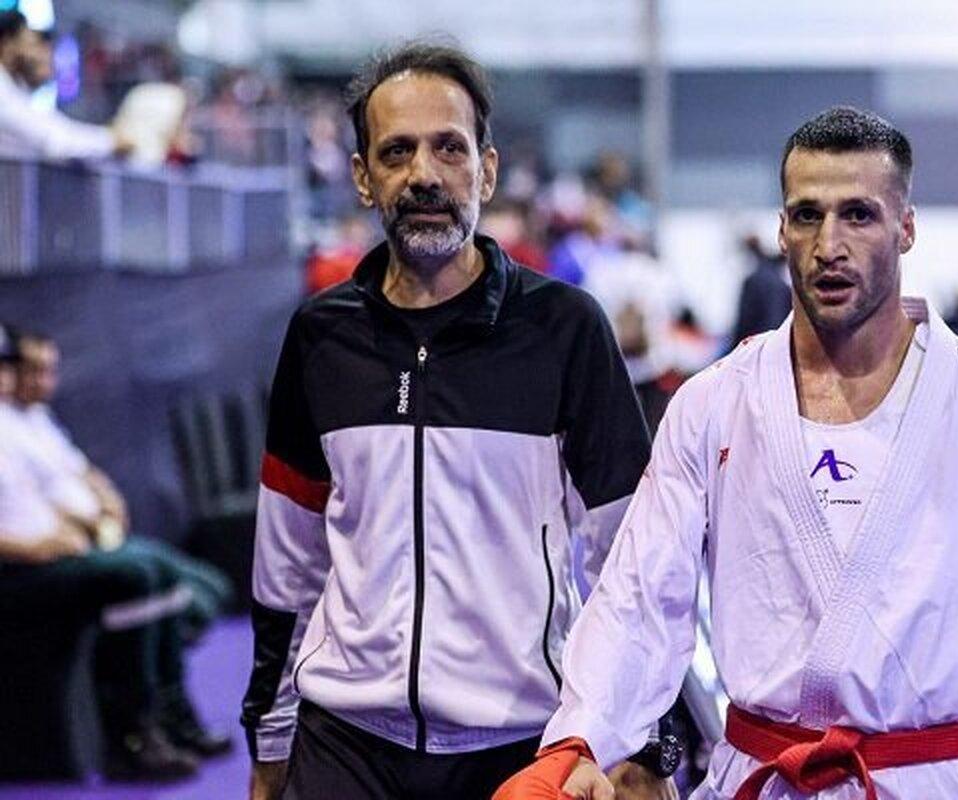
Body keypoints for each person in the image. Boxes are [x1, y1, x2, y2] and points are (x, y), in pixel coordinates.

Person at [495, 106, 958, 800]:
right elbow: (639, 596)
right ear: (781, 230)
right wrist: (582, 739)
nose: (829, 244)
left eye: (858, 215)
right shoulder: (713, 402)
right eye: (807, 216)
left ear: (906, 228)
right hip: (763, 778)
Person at [241, 42, 673, 800]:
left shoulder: (565, 329)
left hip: (520, 742)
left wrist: (640, 738)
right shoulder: (320, 337)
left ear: (487, 170)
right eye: (397, 151)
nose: (425, 174)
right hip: (345, 741)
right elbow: (287, 565)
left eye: (449, 148)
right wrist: (272, 742)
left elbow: (630, 558)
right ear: (363, 177)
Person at [0, 325, 205, 780]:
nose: (7, 376)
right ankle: (129, 736)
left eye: (6, 366)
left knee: (155, 571)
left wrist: (71, 528)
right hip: (17, 570)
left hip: (54, 553)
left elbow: (40, 494)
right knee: (133, 575)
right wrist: (34, 546)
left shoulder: (15, 421)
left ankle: (165, 717)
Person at [0, 10, 132, 161]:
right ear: (6, 45)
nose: (39, 55)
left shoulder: (14, 88)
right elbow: (53, 141)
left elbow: (53, 125)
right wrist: (111, 142)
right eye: (31, 45)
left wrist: (110, 137)